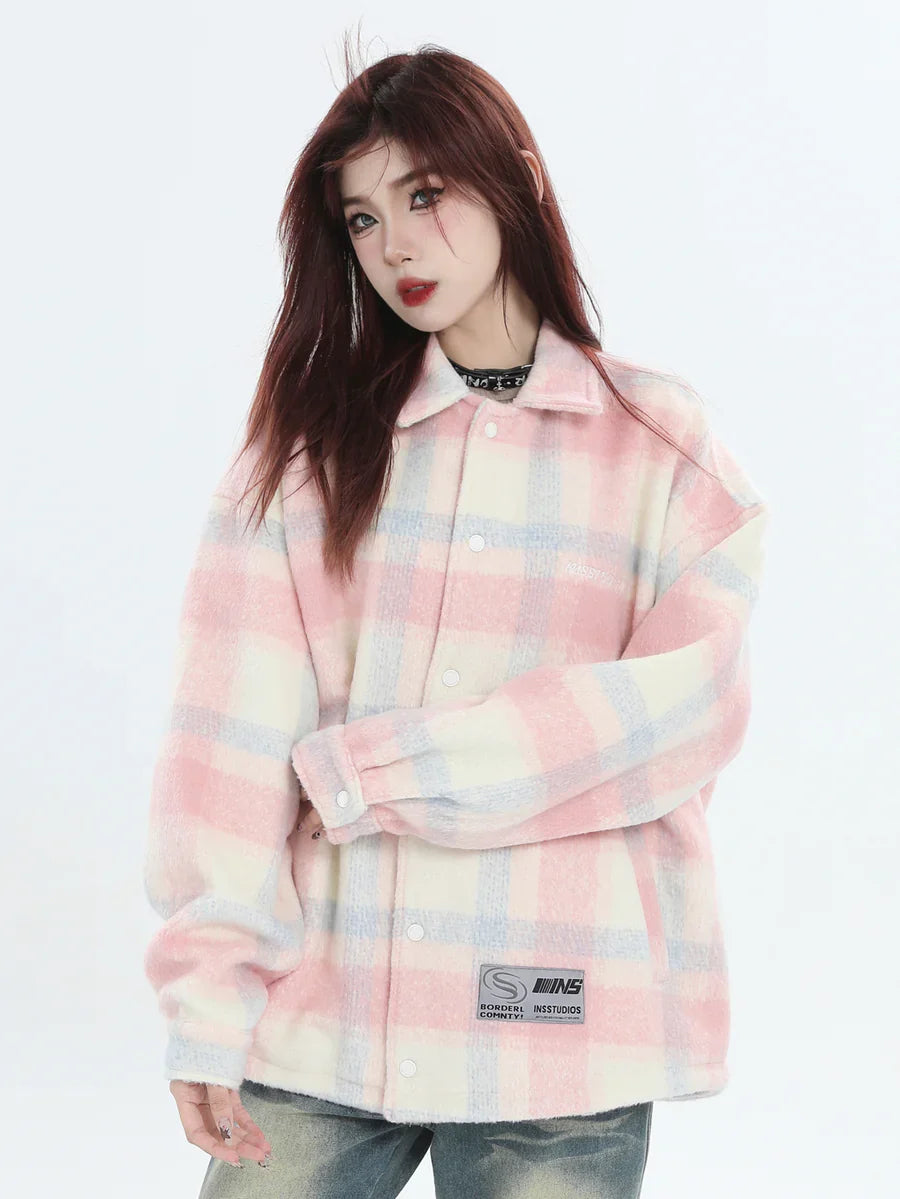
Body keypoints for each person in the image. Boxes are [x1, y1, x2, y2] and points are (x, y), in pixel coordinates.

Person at [142, 34, 769, 1199]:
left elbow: (675, 717)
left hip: (557, 1030)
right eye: (363, 218)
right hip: (322, 1023)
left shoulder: (662, 447)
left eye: (424, 194)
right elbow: (222, 748)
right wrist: (207, 1004)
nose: (395, 245)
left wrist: (371, 773)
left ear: (516, 177)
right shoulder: (309, 460)